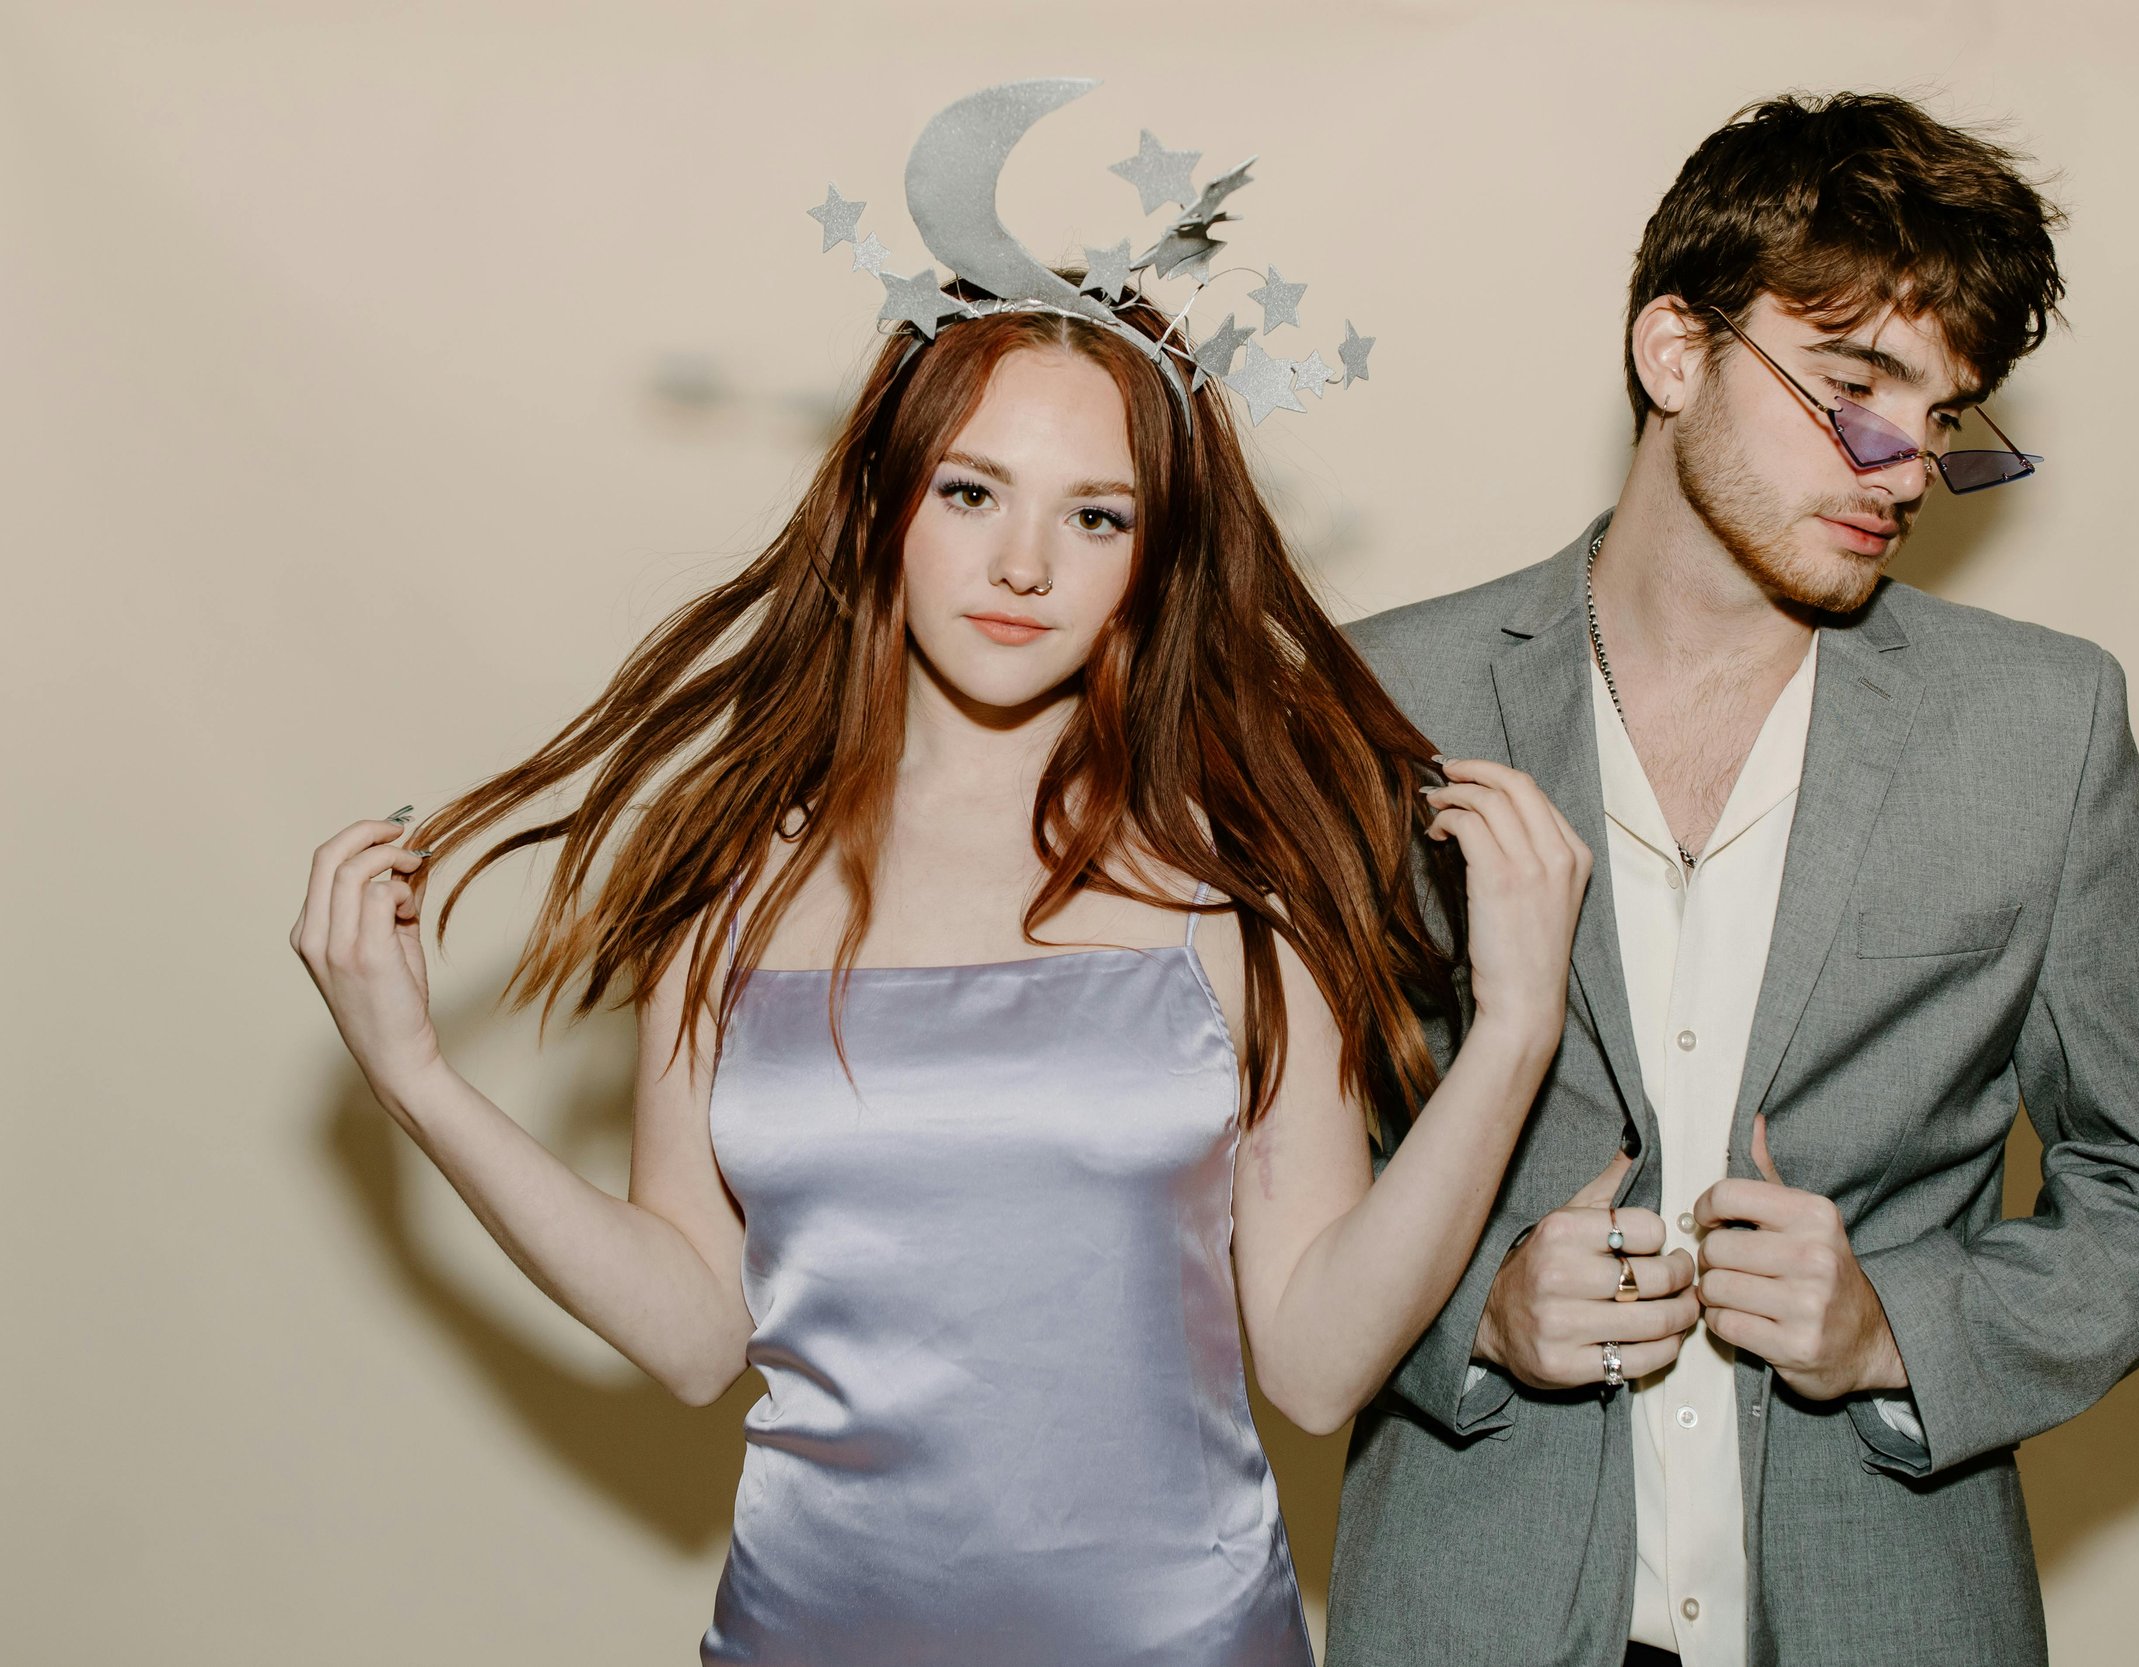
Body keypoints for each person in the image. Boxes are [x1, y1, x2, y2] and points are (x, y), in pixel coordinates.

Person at [290, 271, 1594, 1659]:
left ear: (1154, 559)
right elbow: (690, 1333)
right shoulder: (738, 894)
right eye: (971, 494)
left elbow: (1320, 1370)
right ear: (882, 506)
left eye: (1096, 516)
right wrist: (418, 1081)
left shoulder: (1242, 893)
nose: (1024, 565)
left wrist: (1514, 1030)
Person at [1326, 93, 2139, 1667]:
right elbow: (1248, 1182)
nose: (1903, 471)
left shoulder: (2043, 726)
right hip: (1472, 1609)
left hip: (1888, 1614)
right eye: (1853, 390)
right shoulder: (1378, 704)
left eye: (1946, 417)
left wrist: (1902, 1326)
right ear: (1675, 355)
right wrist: (1470, 1311)